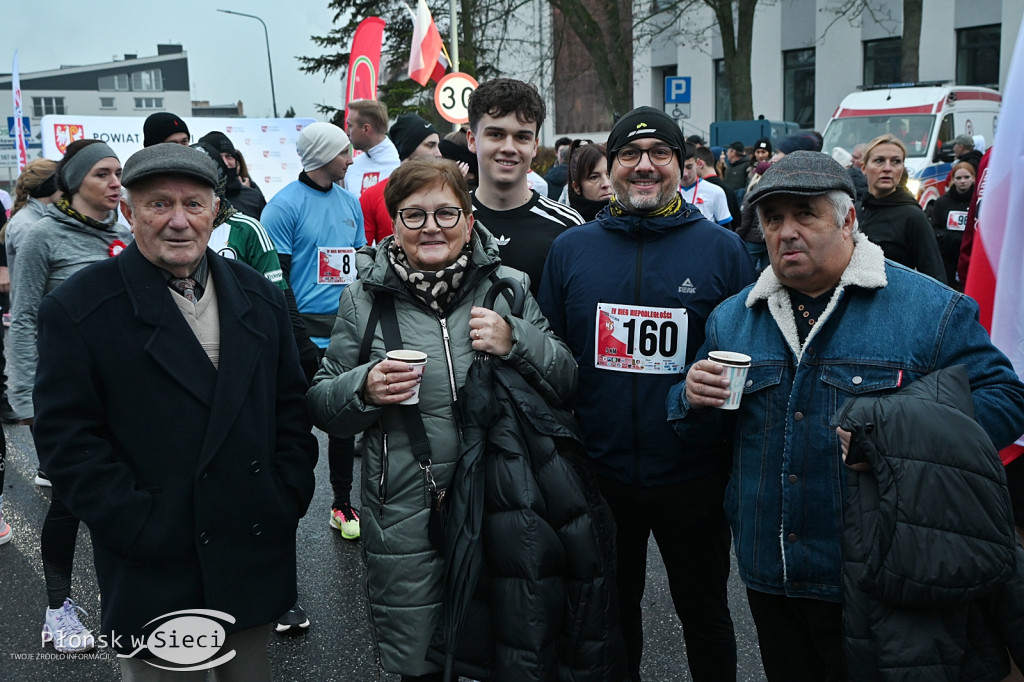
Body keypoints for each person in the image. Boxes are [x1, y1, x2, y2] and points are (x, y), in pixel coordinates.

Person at [669, 150, 1024, 681]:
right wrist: (688, 398)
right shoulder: (732, 318)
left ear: (849, 220)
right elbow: (707, 432)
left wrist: (894, 432)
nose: (786, 231)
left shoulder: (929, 309)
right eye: (773, 219)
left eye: (804, 214)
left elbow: (1005, 398)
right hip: (772, 572)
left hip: (876, 572)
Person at [32, 143, 318, 678]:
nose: (179, 221)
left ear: (216, 210)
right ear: (129, 212)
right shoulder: (79, 309)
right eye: (159, 205)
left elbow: (288, 411)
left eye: (194, 204)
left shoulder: (258, 296)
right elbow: (68, 441)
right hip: (153, 563)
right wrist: (137, 524)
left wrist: (285, 496)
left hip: (249, 546)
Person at [307, 158, 582, 681]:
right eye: (413, 215)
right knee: (422, 662)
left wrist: (515, 339)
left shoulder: (508, 288)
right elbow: (324, 407)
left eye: (446, 213)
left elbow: (565, 381)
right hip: (407, 510)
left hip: (504, 500)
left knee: (509, 651)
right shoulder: (363, 300)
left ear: (470, 219)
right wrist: (364, 387)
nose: (431, 226)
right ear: (393, 222)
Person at [538, 106, 756, 682]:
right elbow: (551, 356)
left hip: (694, 474)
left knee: (705, 615)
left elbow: (747, 357)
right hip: (602, 474)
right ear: (608, 167)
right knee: (612, 617)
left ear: (683, 168)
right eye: (629, 155)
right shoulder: (572, 250)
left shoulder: (723, 250)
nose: (644, 166)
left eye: (660, 154)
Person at [8, 140, 133, 653]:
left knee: (126, 498)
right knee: (68, 503)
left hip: (127, 394)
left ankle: (125, 602)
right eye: (104, 173)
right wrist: (26, 399)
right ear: (77, 179)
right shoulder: (42, 238)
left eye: (119, 174)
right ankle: (58, 609)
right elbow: (24, 320)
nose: (115, 184)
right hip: (65, 397)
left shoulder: (126, 234)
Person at [261, 122, 365, 546]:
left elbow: (356, 265)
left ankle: (342, 502)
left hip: (343, 330)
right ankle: (276, 510)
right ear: (323, 156)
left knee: (343, 423)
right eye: (344, 152)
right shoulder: (283, 207)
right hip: (298, 334)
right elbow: (276, 280)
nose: (351, 158)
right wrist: (299, 339)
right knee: (293, 428)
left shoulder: (349, 202)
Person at [466, 78, 584, 297]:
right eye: (496, 134)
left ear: (535, 146)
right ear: (472, 140)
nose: (509, 148)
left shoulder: (568, 227)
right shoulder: (447, 220)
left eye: (521, 137)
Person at [857, 134, 946, 283]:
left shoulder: (912, 215)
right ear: (864, 168)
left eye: (896, 162)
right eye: (879, 161)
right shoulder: (855, 211)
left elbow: (935, 276)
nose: (887, 168)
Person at [359, 112, 442, 245]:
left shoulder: (445, 190)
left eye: (438, 145)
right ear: (408, 149)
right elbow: (363, 254)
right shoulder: (372, 196)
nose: (439, 154)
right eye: (430, 145)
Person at [197, 130, 266, 218]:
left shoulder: (254, 197)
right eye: (218, 156)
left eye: (229, 156)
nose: (225, 163)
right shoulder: (193, 197)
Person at [931, 161, 974, 289]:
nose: (963, 181)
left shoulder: (978, 202)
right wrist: (948, 238)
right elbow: (934, 227)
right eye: (959, 178)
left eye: (967, 177)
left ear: (973, 178)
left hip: (970, 257)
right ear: (953, 180)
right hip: (948, 257)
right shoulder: (942, 202)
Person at [345, 99, 400, 196]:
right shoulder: (352, 166)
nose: (347, 132)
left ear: (366, 129)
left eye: (350, 126)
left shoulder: (399, 165)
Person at [683, 143, 735, 225]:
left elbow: (726, 229)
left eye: (689, 167)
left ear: (698, 163)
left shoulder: (716, 191)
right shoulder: (668, 192)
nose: (685, 173)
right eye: (681, 168)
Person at [566, 139, 612, 222]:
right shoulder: (569, 226)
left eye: (609, 175)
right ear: (576, 187)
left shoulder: (633, 219)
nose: (606, 184)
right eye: (594, 177)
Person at [544, 135, 572, 199]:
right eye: (562, 151)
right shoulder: (547, 174)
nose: (566, 153)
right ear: (556, 153)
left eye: (569, 151)